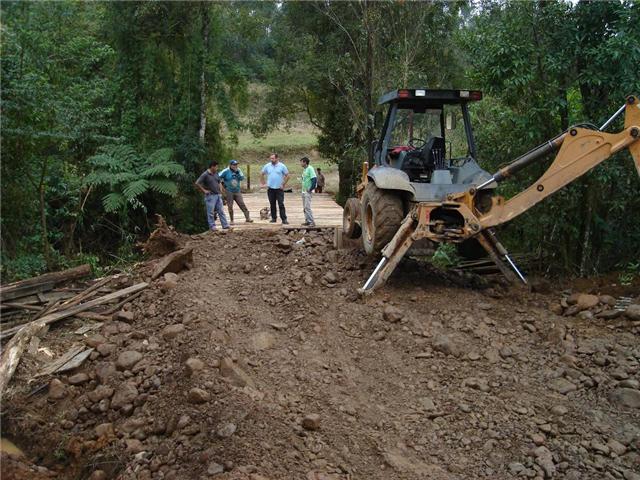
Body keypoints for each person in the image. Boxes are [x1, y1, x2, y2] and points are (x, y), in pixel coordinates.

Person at [195, 161, 230, 231]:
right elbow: (197, 183)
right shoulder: (205, 174)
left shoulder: (216, 173)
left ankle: (225, 225)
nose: (217, 168)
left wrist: (221, 191)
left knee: (221, 211)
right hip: (210, 196)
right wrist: (204, 190)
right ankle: (212, 227)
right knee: (210, 212)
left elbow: (219, 181)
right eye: (216, 167)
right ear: (212, 167)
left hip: (218, 195)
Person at [219, 159, 253, 225]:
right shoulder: (226, 171)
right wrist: (222, 183)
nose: (235, 166)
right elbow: (218, 176)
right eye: (234, 165)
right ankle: (232, 220)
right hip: (229, 191)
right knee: (230, 206)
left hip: (237, 190)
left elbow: (242, 178)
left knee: (242, 204)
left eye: (236, 165)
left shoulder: (238, 170)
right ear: (230, 165)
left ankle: (248, 218)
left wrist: (237, 173)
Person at [260, 153, 290, 224]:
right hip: (270, 188)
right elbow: (261, 173)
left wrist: (283, 184)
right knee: (272, 204)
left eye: (273, 158)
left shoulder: (282, 166)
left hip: (279, 188)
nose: (271, 160)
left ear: (277, 158)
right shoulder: (267, 166)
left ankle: (284, 219)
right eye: (270, 158)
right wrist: (263, 183)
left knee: (281, 204)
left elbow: (288, 175)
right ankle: (274, 218)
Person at [299, 156, 317, 227]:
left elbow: (314, 179)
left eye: (301, 162)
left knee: (307, 207)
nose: (300, 164)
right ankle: (307, 221)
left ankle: (311, 222)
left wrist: (311, 189)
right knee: (304, 207)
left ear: (305, 162)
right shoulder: (305, 170)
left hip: (308, 191)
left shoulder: (310, 168)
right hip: (303, 191)